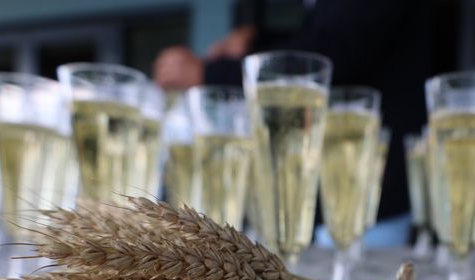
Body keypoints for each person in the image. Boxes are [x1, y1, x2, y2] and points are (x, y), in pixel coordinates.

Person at [154, 0, 445, 224]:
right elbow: (327, 35)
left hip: (372, 192)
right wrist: (257, 40)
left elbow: (328, 56)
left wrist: (209, 72)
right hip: (338, 190)